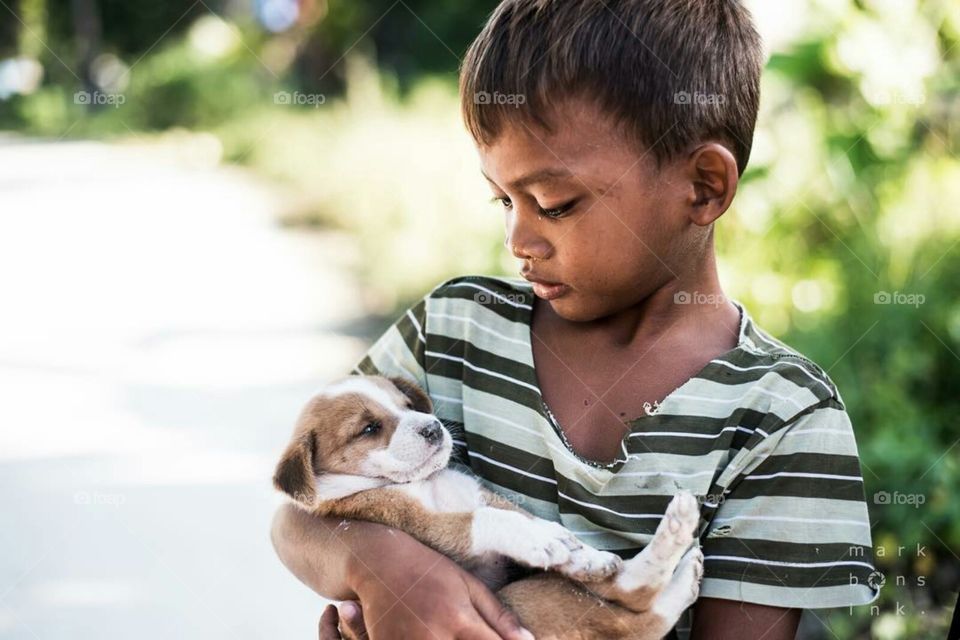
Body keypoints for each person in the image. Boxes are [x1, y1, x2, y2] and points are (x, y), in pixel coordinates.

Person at [271, 1, 880, 637]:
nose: (518, 240)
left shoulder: (783, 416)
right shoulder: (454, 331)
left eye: (554, 204)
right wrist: (383, 567)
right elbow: (297, 516)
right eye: (503, 200)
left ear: (703, 186)